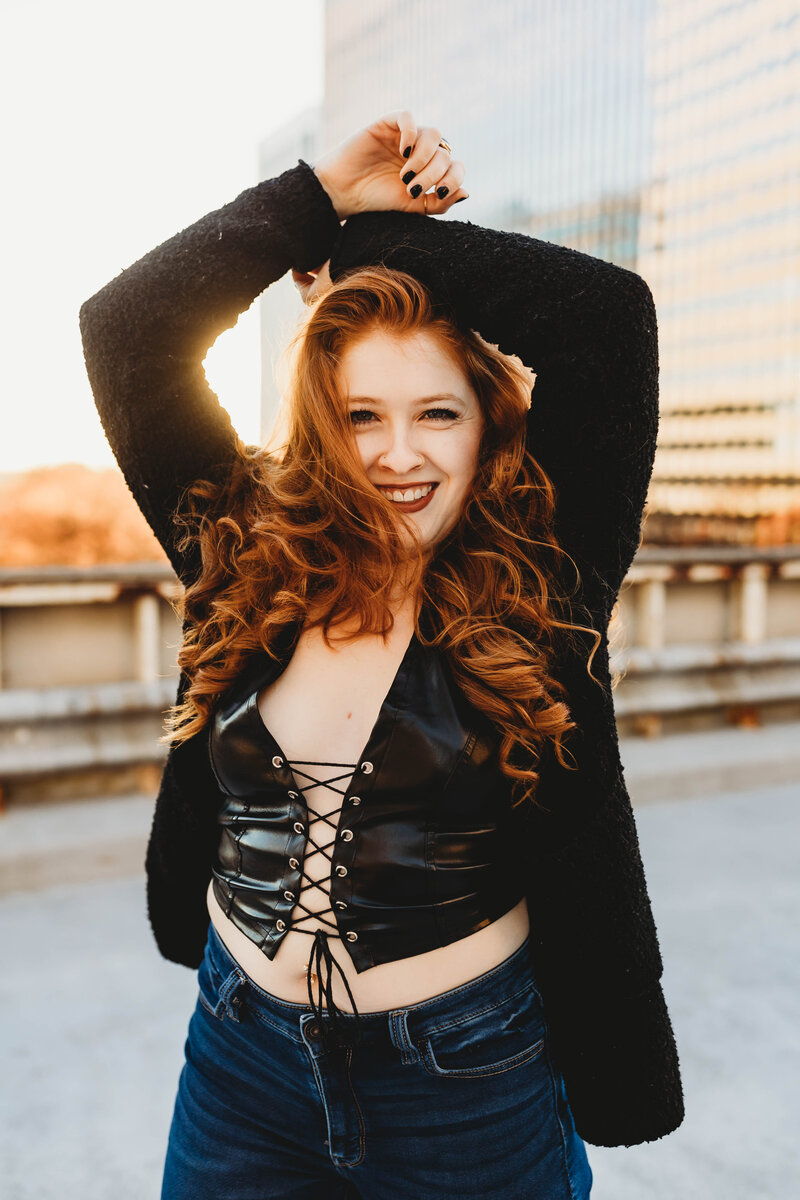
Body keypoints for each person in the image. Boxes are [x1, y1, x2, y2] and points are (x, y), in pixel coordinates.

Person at [79, 110, 684, 1199]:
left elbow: (604, 319)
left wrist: (369, 246)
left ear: (489, 425)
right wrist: (317, 198)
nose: (398, 456)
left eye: (436, 414)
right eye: (361, 415)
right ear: (321, 423)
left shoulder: (540, 572)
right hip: (239, 1060)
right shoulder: (244, 547)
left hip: (467, 1084)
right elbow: (127, 330)